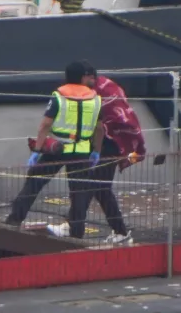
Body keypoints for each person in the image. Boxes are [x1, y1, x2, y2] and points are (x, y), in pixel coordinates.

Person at [46, 64, 146, 245]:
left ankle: (73, 226)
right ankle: (119, 231)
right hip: (99, 144)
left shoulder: (102, 91)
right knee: (99, 188)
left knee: (90, 186)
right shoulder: (100, 87)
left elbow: (111, 120)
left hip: (111, 142)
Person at [5, 61, 103, 238]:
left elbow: (45, 125)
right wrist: (96, 151)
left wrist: (37, 151)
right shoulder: (95, 99)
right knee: (79, 193)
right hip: (82, 151)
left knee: (34, 183)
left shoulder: (59, 96)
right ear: (83, 77)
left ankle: (14, 220)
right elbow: (100, 128)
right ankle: (77, 233)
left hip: (57, 149)